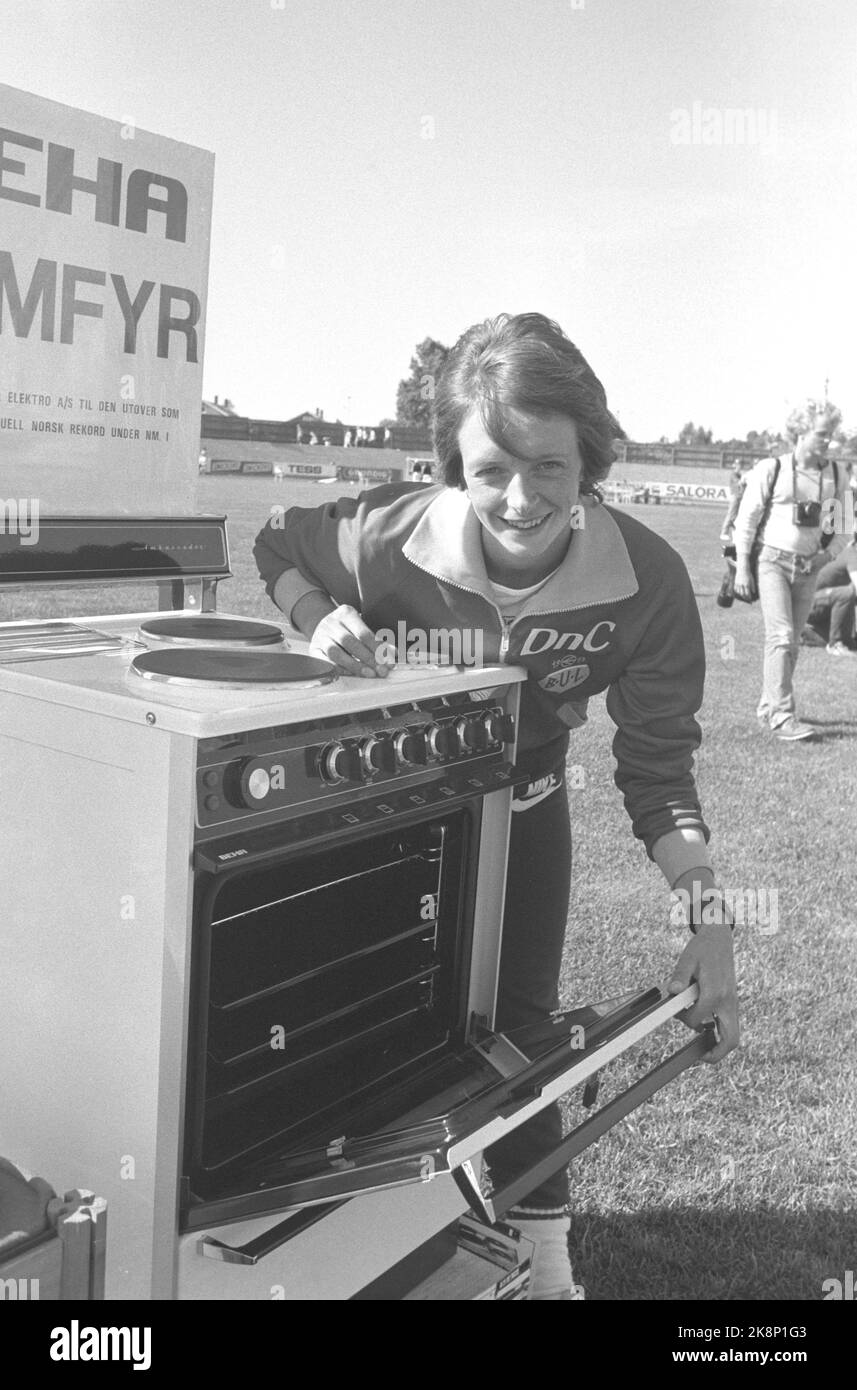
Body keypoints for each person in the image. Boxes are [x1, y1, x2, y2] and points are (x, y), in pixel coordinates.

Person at [253, 312, 738, 1300]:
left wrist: (706, 908)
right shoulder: (388, 531)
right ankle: (352, 1258)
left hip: (524, 815)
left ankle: (547, 1271)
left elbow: (657, 770)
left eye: (548, 468)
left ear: (590, 459)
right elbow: (274, 544)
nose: (517, 501)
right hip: (377, 827)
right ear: (452, 467)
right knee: (349, 1027)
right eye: (488, 470)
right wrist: (322, 616)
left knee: (519, 1042)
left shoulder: (645, 580)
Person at [733, 416, 850, 739]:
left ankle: (767, 708)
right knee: (781, 636)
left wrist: (826, 556)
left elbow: (844, 525)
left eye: (831, 436)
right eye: (821, 434)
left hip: (809, 567)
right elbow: (747, 518)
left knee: (792, 643)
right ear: (800, 432)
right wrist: (743, 565)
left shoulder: (838, 474)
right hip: (772, 561)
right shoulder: (772, 469)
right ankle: (784, 717)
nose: (828, 441)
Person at [803, 529, 857, 654]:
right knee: (847, 593)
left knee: (847, 643)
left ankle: (804, 634)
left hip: (825, 604)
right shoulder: (853, 554)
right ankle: (836, 644)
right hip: (808, 604)